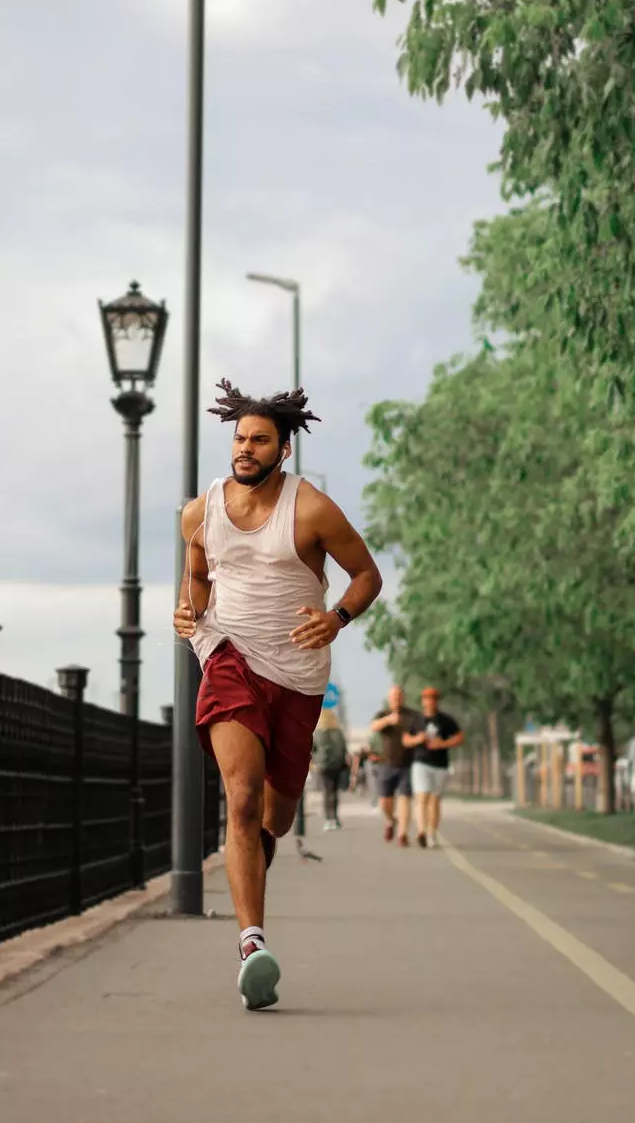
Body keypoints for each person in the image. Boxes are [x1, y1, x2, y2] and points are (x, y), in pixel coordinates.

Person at [174, 379, 382, 1011]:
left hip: (296, 673)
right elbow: (197, 579)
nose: (245, 448)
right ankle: (252, 945)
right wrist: (189, 614)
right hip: (229, 656)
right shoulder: (200, 511)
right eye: (239, 438)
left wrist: (337, 618)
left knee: (275, 814)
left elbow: (367, 575)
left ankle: (253, 872)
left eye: (259, 439)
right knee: (240, 799)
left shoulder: (312, 509)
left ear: (282, 450)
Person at [368, 687, 424, 846]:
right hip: (385, 764)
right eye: (393, 696)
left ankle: (403, 834)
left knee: (405, 799)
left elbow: (421, 733)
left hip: (407, 764)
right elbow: (374, 727)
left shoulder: (413, 715)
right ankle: (390, 821)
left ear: (403, 697)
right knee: (385, 802)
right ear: (389, 698)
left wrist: (416, 738)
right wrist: (388, 720)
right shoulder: (383, 714)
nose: (396, 698)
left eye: (399, 695)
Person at [410, 686, 464, 847]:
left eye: (433, 698)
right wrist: (417, 740)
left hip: (440, 765)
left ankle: (431, 833)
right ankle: (421, 831)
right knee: (421, 797)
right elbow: (405, 739)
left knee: (434, 800)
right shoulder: (416, 720)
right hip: (420, 763)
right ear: (422, 701)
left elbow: (460, 737)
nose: (430, 701)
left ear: (437, 701)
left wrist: (443, 743)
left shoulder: (446, 721)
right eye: (427, 698)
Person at [311, 709, 350, 831]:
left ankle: (329, 819)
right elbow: (343, 748)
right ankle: (335, 818)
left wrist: (315, 761)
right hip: (337, 765)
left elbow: (312, 748)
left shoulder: (317, 732)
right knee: (334, 791)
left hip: (323, 765)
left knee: (327, 792)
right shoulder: (338, 732)